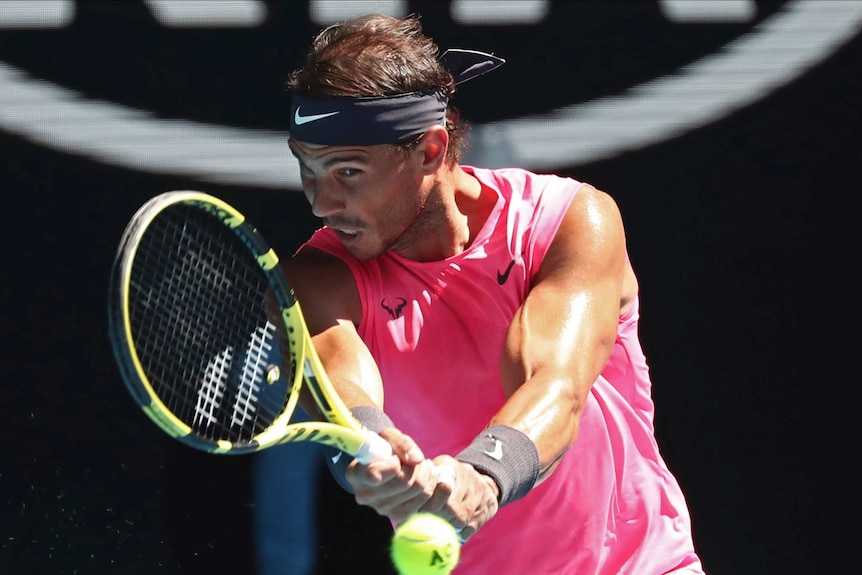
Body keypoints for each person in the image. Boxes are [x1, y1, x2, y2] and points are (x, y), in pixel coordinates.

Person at [282, 13, 707, 575]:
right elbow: (344, 390)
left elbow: (552, 383)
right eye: (307, 169)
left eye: (348, 171)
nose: (321, 202)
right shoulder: (318, 274)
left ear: (431, 151)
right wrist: (380, 455)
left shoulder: (570, 221)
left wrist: (481, 476)